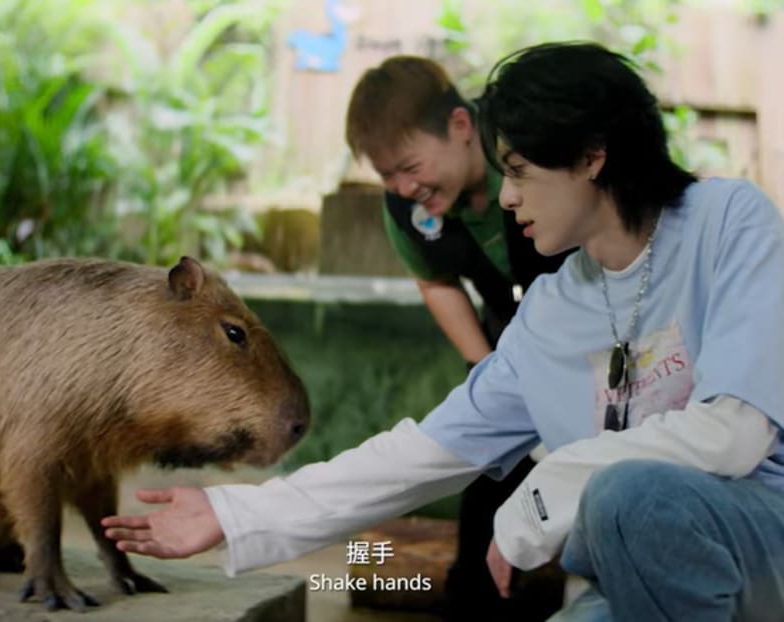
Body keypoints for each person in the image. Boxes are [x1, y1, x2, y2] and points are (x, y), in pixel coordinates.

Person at [103, 41, 784, 622]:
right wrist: (236, 513)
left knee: (626, 494)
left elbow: (734, 432)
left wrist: (545, 493)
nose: (509, 194)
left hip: (762, 539)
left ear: (591, 156)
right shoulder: (550, 313)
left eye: (519, 170)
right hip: (635, 580)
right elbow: (419, 455)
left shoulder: (726, 220)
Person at [343, 55, 568, 620]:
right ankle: (475, 600)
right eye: (387, 175)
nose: (402, 187)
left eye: (410, 167)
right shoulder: (406, 203)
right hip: (507, 328)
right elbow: (435, 279)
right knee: (491, 470)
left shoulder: (528, 147)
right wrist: (486, 368)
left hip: (586, 315)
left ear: (462, 128)